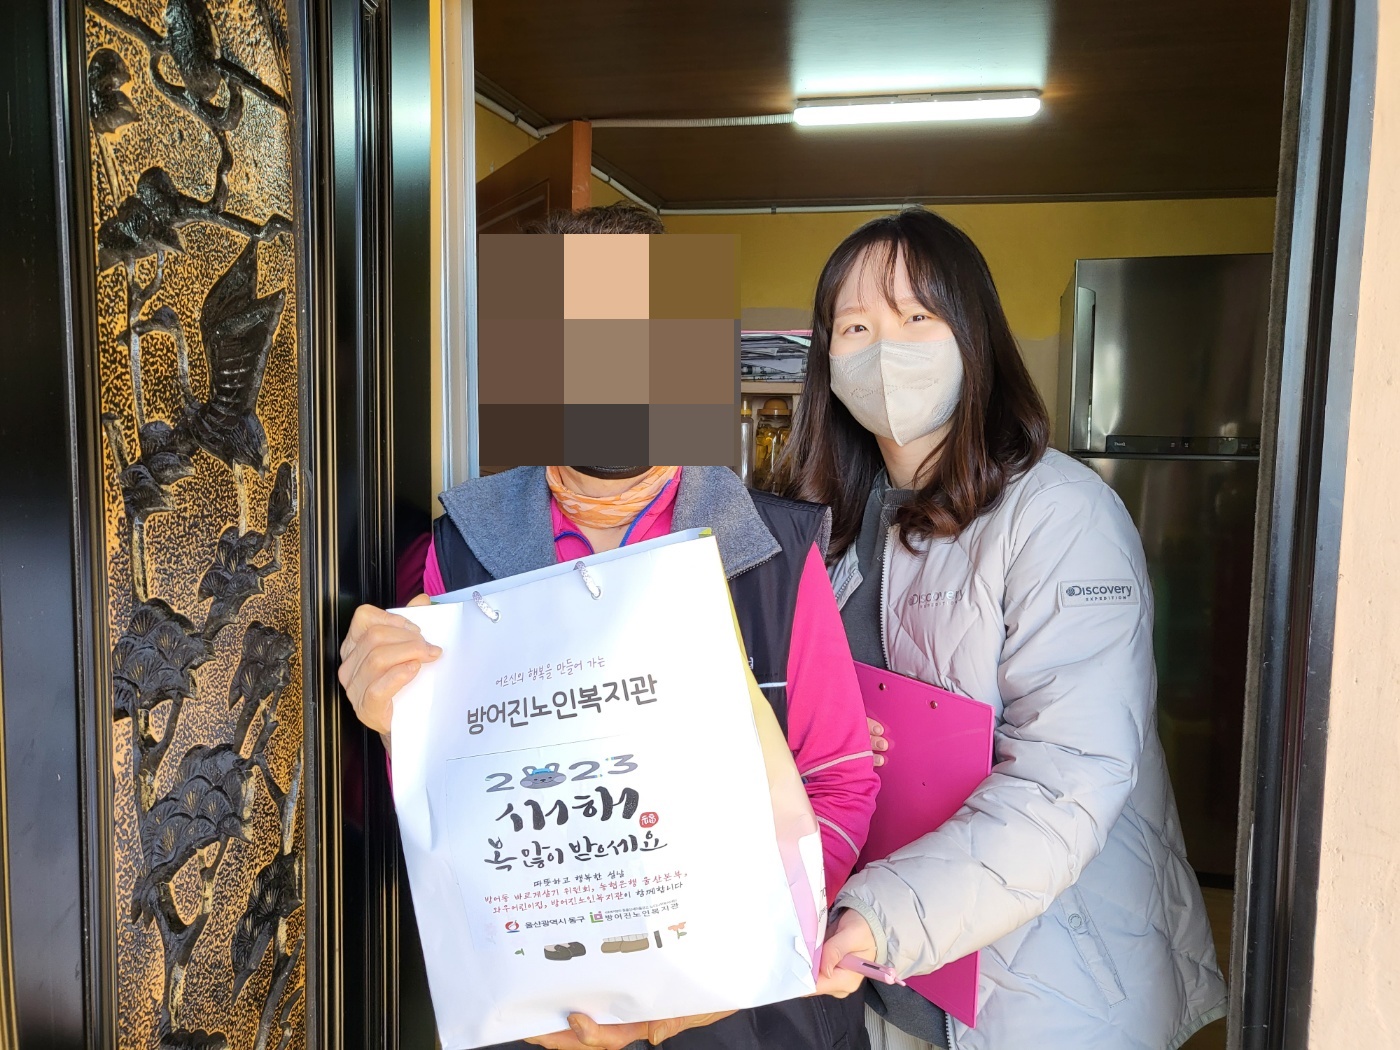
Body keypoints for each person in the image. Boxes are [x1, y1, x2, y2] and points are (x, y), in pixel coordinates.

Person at [339, 204, 880, 1050]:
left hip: (751, 1023)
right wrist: (386, 726)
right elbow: (436, 814)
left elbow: (840, 783)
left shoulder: (775, 551)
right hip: (538, 1021)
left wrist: (724, 975)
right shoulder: (452, 557)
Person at [780, 208, 1228, 1049]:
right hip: (887, 979)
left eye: (917, 316)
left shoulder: (1059, 514)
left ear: (973, 335)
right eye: (856, 326)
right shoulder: (835, 524)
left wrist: (881, 918)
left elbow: (1068, 776)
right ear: (827, 360)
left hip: (1043, 982)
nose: (885, 349)